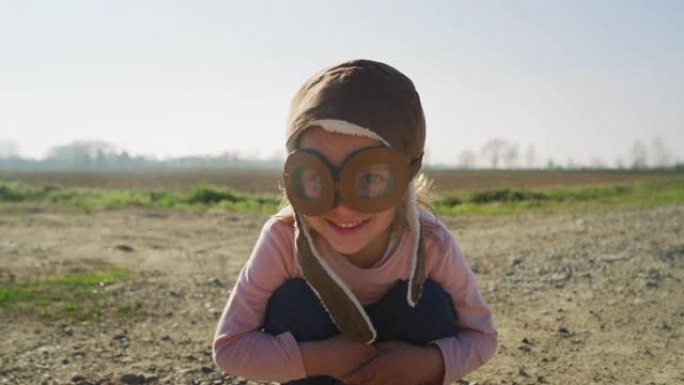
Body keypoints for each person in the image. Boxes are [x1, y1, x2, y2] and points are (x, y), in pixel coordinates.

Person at [213, 59, 497, 385]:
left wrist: (427, 364)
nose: (342, 206)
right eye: (317, 176)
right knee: (291, 303)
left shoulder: (429, 242)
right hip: (321, 369)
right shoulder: (282, 239)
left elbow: (481, 336)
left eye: (370, 177)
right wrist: (322, 359)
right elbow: (230, 346)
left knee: (429, 304)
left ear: (406, 175)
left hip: (402, 371)